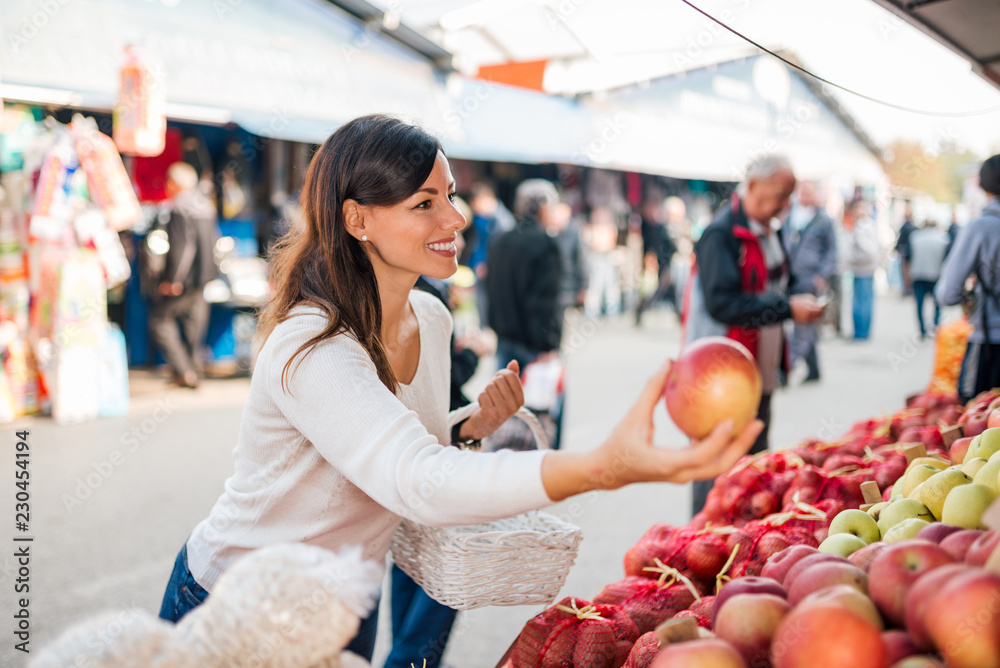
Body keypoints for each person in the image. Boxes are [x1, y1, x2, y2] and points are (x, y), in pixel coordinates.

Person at [157, 116, 766, 661]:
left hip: (344, 606)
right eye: (425, 203)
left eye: (448, 194)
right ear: (356, 219)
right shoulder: (312, 345)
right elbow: (415, 478)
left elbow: (400, 441)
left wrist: (466, 427)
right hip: (237, 607)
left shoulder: (432, 317)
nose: (456, 217)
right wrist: (600, 468)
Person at [683, 154, 826, 516]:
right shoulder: (721, 235)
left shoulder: (771, 230)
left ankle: (743, 540)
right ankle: (701, 540)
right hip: (722, 374)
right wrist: (787, 309)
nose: (784, 204)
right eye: (780, 195)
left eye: (788, 196)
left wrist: (800, 296)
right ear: (751, 185)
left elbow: (781, 280)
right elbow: (723, 304)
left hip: (758, 368)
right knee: (716, 464)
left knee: (753, 458)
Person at [936, 153, 1000, 402]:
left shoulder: (980, 228)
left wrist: (970, 294)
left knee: (980, 427)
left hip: (990, 343)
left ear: (982, 185)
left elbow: (947, 293)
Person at [151, 161, 220, 389]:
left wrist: (174, 280)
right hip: (203, 279)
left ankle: (184, 371)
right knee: (194, 325)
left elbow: (184, 247)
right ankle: (192, 372)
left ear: (173, 183)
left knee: (160, 321)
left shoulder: (179, 207)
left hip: (185, 280)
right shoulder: (207, 206)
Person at [486, 179, 563, 370]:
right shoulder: (544, 243)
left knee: (505, 397)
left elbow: (491, 288)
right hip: (534, 345)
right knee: (539, 399)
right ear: (543, 207)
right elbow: (543, 300)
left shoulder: (501, 240)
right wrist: (548, 343)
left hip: (504, 337)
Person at [783, 182, 837, 382]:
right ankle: (813, 370)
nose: (805, 196)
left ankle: (788, 366)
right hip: (790, 277)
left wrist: (822, 274)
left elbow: (831, 250)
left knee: (803, 323)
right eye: (802, 192)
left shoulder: (823, 220)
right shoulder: (789, 215)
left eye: (808, 193)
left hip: (810, 278)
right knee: (807, 325)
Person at [635, 199, 678, 326]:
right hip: (656, 265)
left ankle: (678, 312)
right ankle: (641, 310)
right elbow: (651, 247)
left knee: (665, 290)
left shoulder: (662, 227)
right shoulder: (650, 228)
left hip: (665, 264)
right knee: (654, 291)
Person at [844, 198, 881, 341]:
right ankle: (862, 331)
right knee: (865, 300)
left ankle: (860, 332)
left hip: (863, 268)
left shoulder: (862, 226)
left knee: (861, 302)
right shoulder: (868, 224)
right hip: (864, 268)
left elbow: (869, 249)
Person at [908, 219, 950, 339]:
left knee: (919, 305)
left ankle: (922, 330)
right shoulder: (943, 239)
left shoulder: (915, 237)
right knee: (937, 304)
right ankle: (936, 327)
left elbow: (908, 257)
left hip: (918, 275)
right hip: (936, 275)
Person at [896, 202, 916, 296]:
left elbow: (900, 240)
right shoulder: (913, 226)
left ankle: (906, 288)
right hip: (910, 253)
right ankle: (908, 288)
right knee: (908, 272)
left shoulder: (905, 227)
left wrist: (896, 248)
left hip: (906, 252)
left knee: (905, 272)